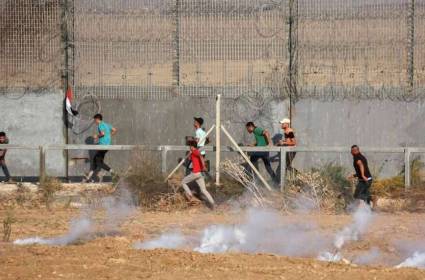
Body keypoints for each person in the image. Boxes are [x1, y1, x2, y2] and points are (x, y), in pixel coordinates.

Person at [181, 140, 215, 209]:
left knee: (183, 182)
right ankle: (213, 203)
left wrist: (203, 165)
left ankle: (190, 196)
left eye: (190, 146)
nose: (189, 147)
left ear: (191, 146)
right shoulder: (193, 152)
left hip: (195, 173)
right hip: (199, 174)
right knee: (204, 190)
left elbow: (201, 156)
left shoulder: (195, 151)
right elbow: (191, 158)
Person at [83, 114, 117, 182]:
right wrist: (109, 136)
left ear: (97, 119)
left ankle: (113, 173)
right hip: (106, 145)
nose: (95, 122)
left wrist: (97, 136)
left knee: (98, 162)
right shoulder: (106, 124)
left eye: (95, 120)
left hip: (103, 145)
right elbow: (114, 130)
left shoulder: (100, 125)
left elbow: (102, 133)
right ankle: (88, 177)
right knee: (96, 161)